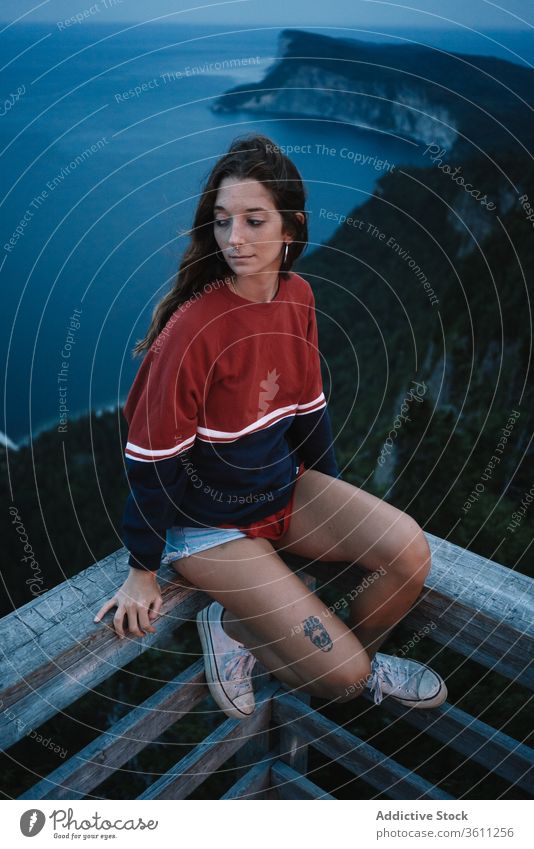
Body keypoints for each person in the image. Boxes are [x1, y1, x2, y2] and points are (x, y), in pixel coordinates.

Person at [94, 134, 447, 719]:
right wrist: (140, 569)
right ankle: (236, 625)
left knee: (408, 550)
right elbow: (153, 460)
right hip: (207, 525)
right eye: (223, 221)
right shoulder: (194, 328)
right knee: (344, 680)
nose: (235, 239)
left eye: (254, 221)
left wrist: (329, 498)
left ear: (290, 227)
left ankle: (357, 660)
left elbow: (307, 410)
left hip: (279, 491)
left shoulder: (297, 296)